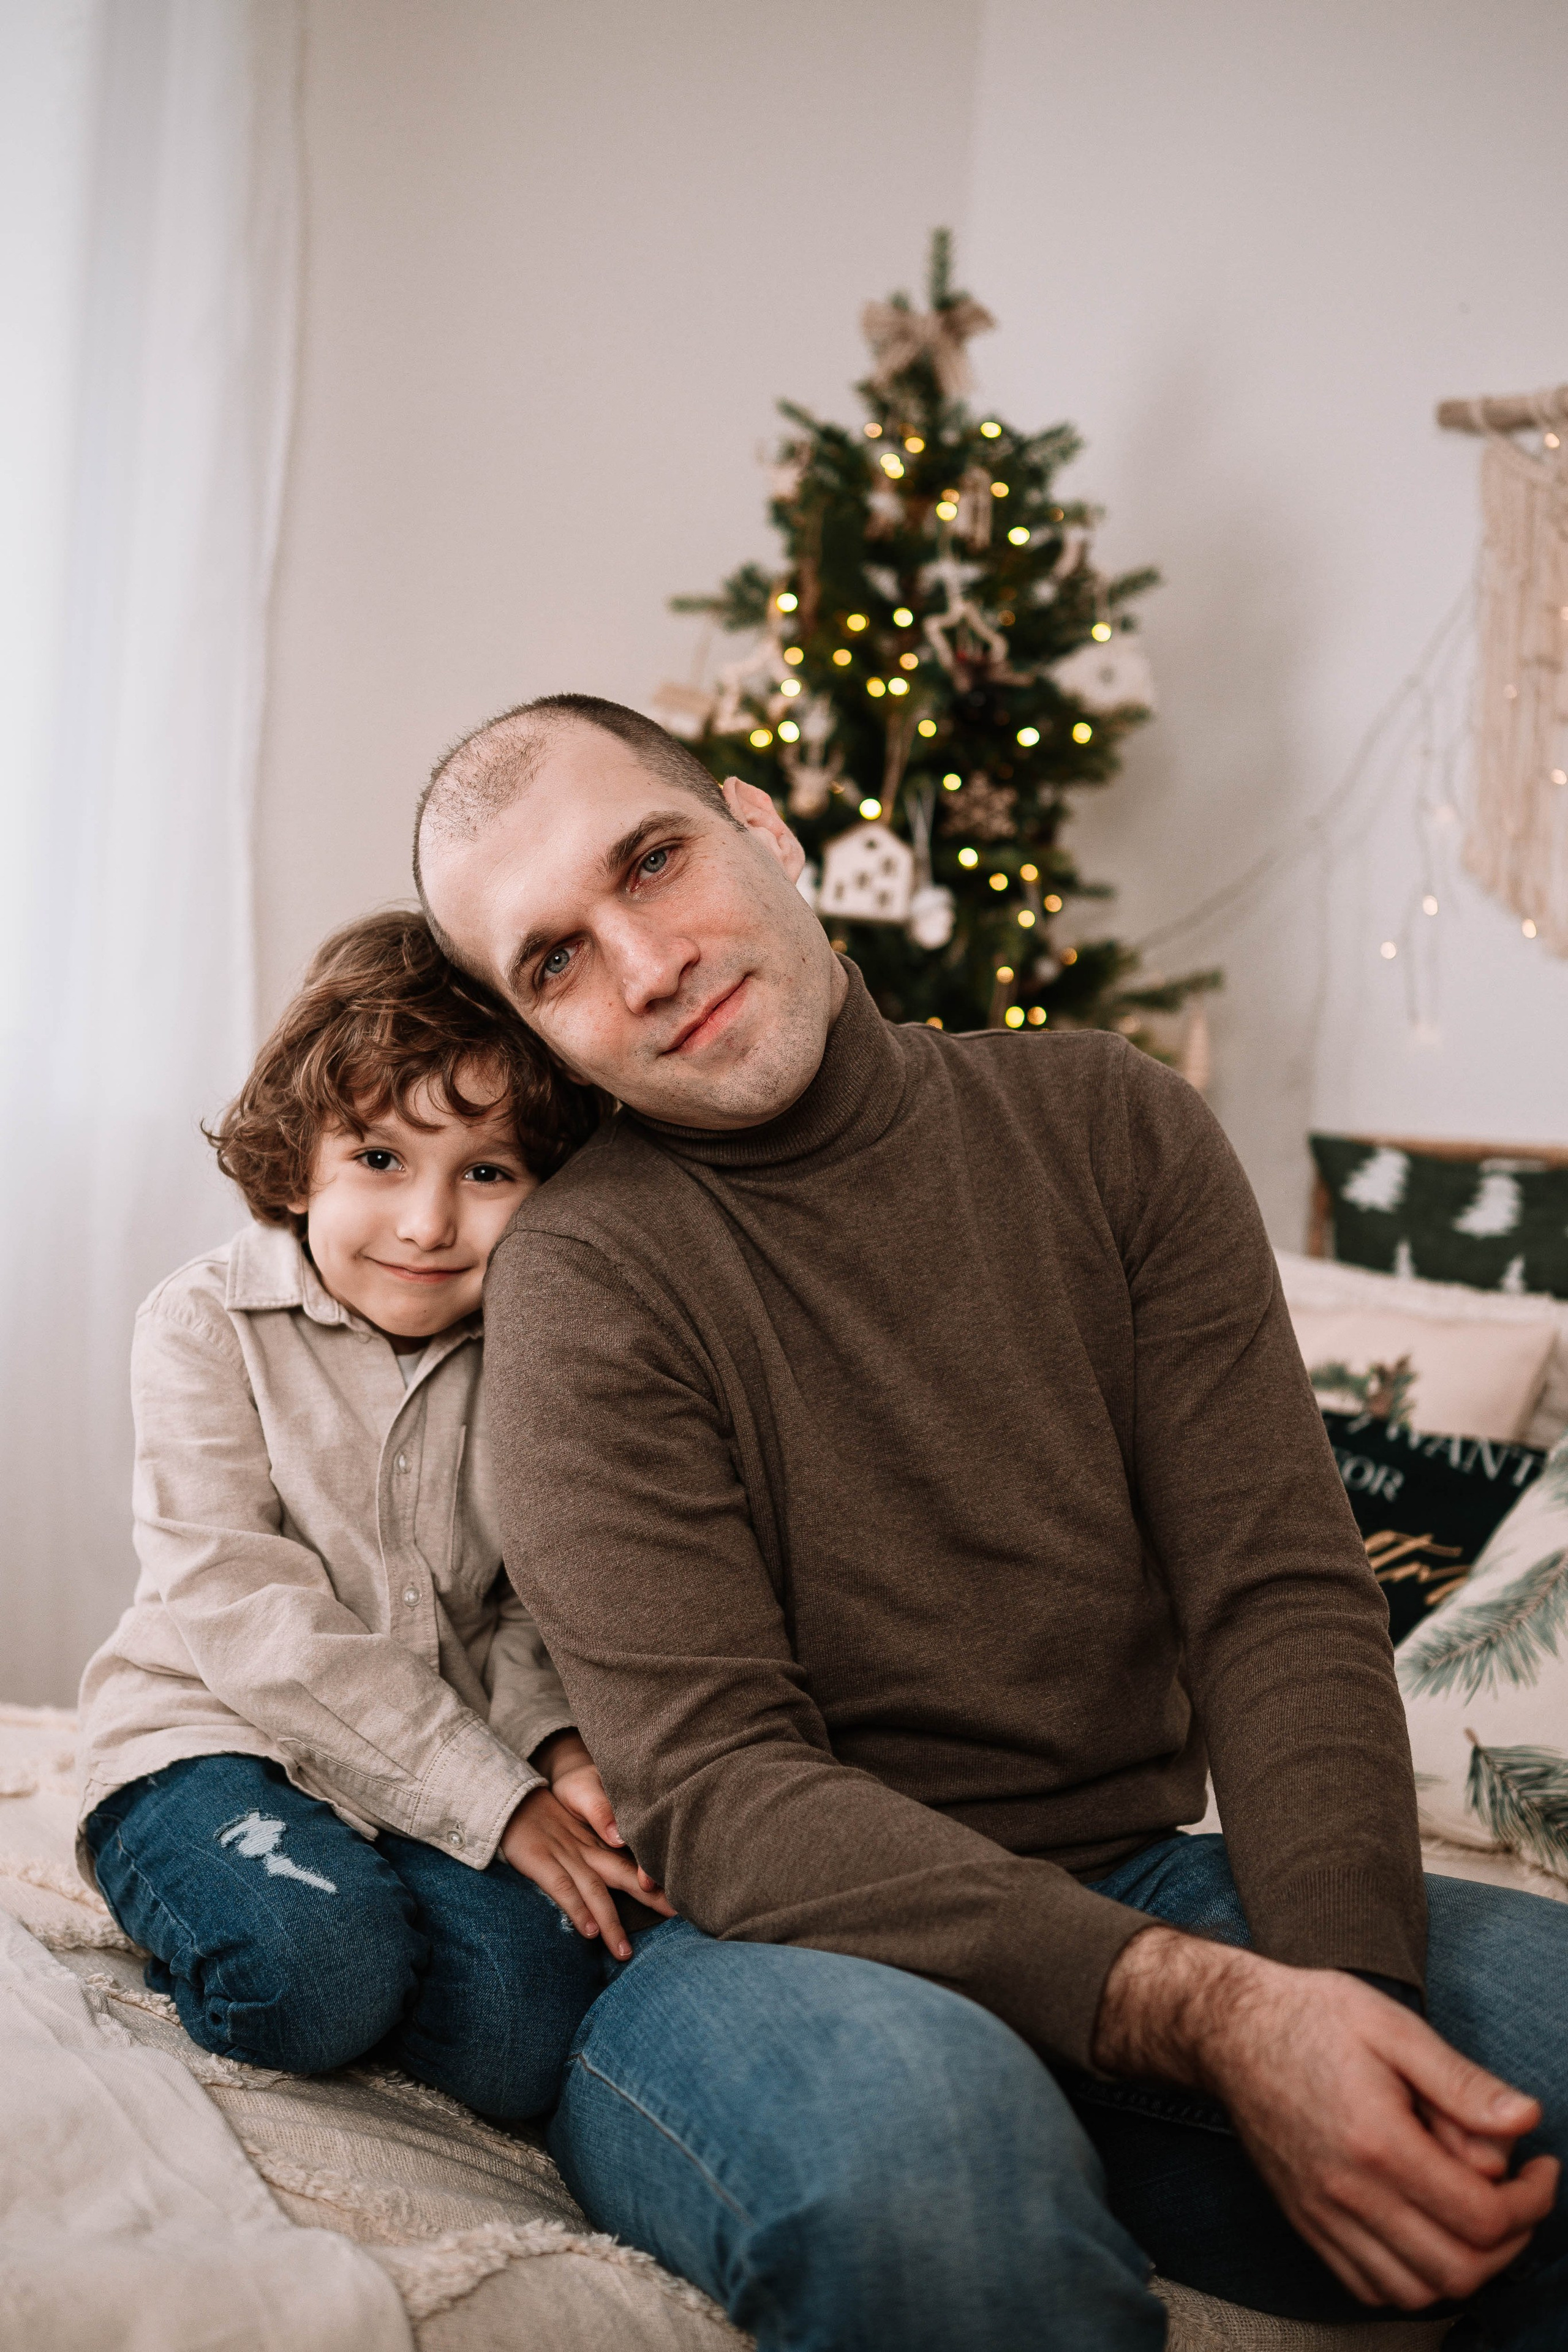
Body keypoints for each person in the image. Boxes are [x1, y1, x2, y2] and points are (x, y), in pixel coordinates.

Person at [415, 693, 1568, 2351]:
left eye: (652, 862)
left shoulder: (1111, 1122)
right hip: (766, 1957)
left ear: (762, 823)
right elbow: (724, 1792)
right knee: (940, 2195)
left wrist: (1341, 2018)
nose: (646, 968)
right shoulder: (585, 1280)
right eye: (556, 962)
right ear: (543, 1032)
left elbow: (1276, 1598)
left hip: (1143, 1879)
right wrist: (1208, 2014)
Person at [77, 911, 669, 2123]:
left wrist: (556, 1750)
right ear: (302, 1160)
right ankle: (215, 1900)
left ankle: (363, 1913)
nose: (428, 1224)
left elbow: (527, 1603)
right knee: (314, 1972)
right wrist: (493, 1801)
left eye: (488, 1173)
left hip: (430, 1763)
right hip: (213, 1737)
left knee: (528, 2031)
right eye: (382, 1159)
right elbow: (246, 1611)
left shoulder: (535, 1349)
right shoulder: (203, 1324)